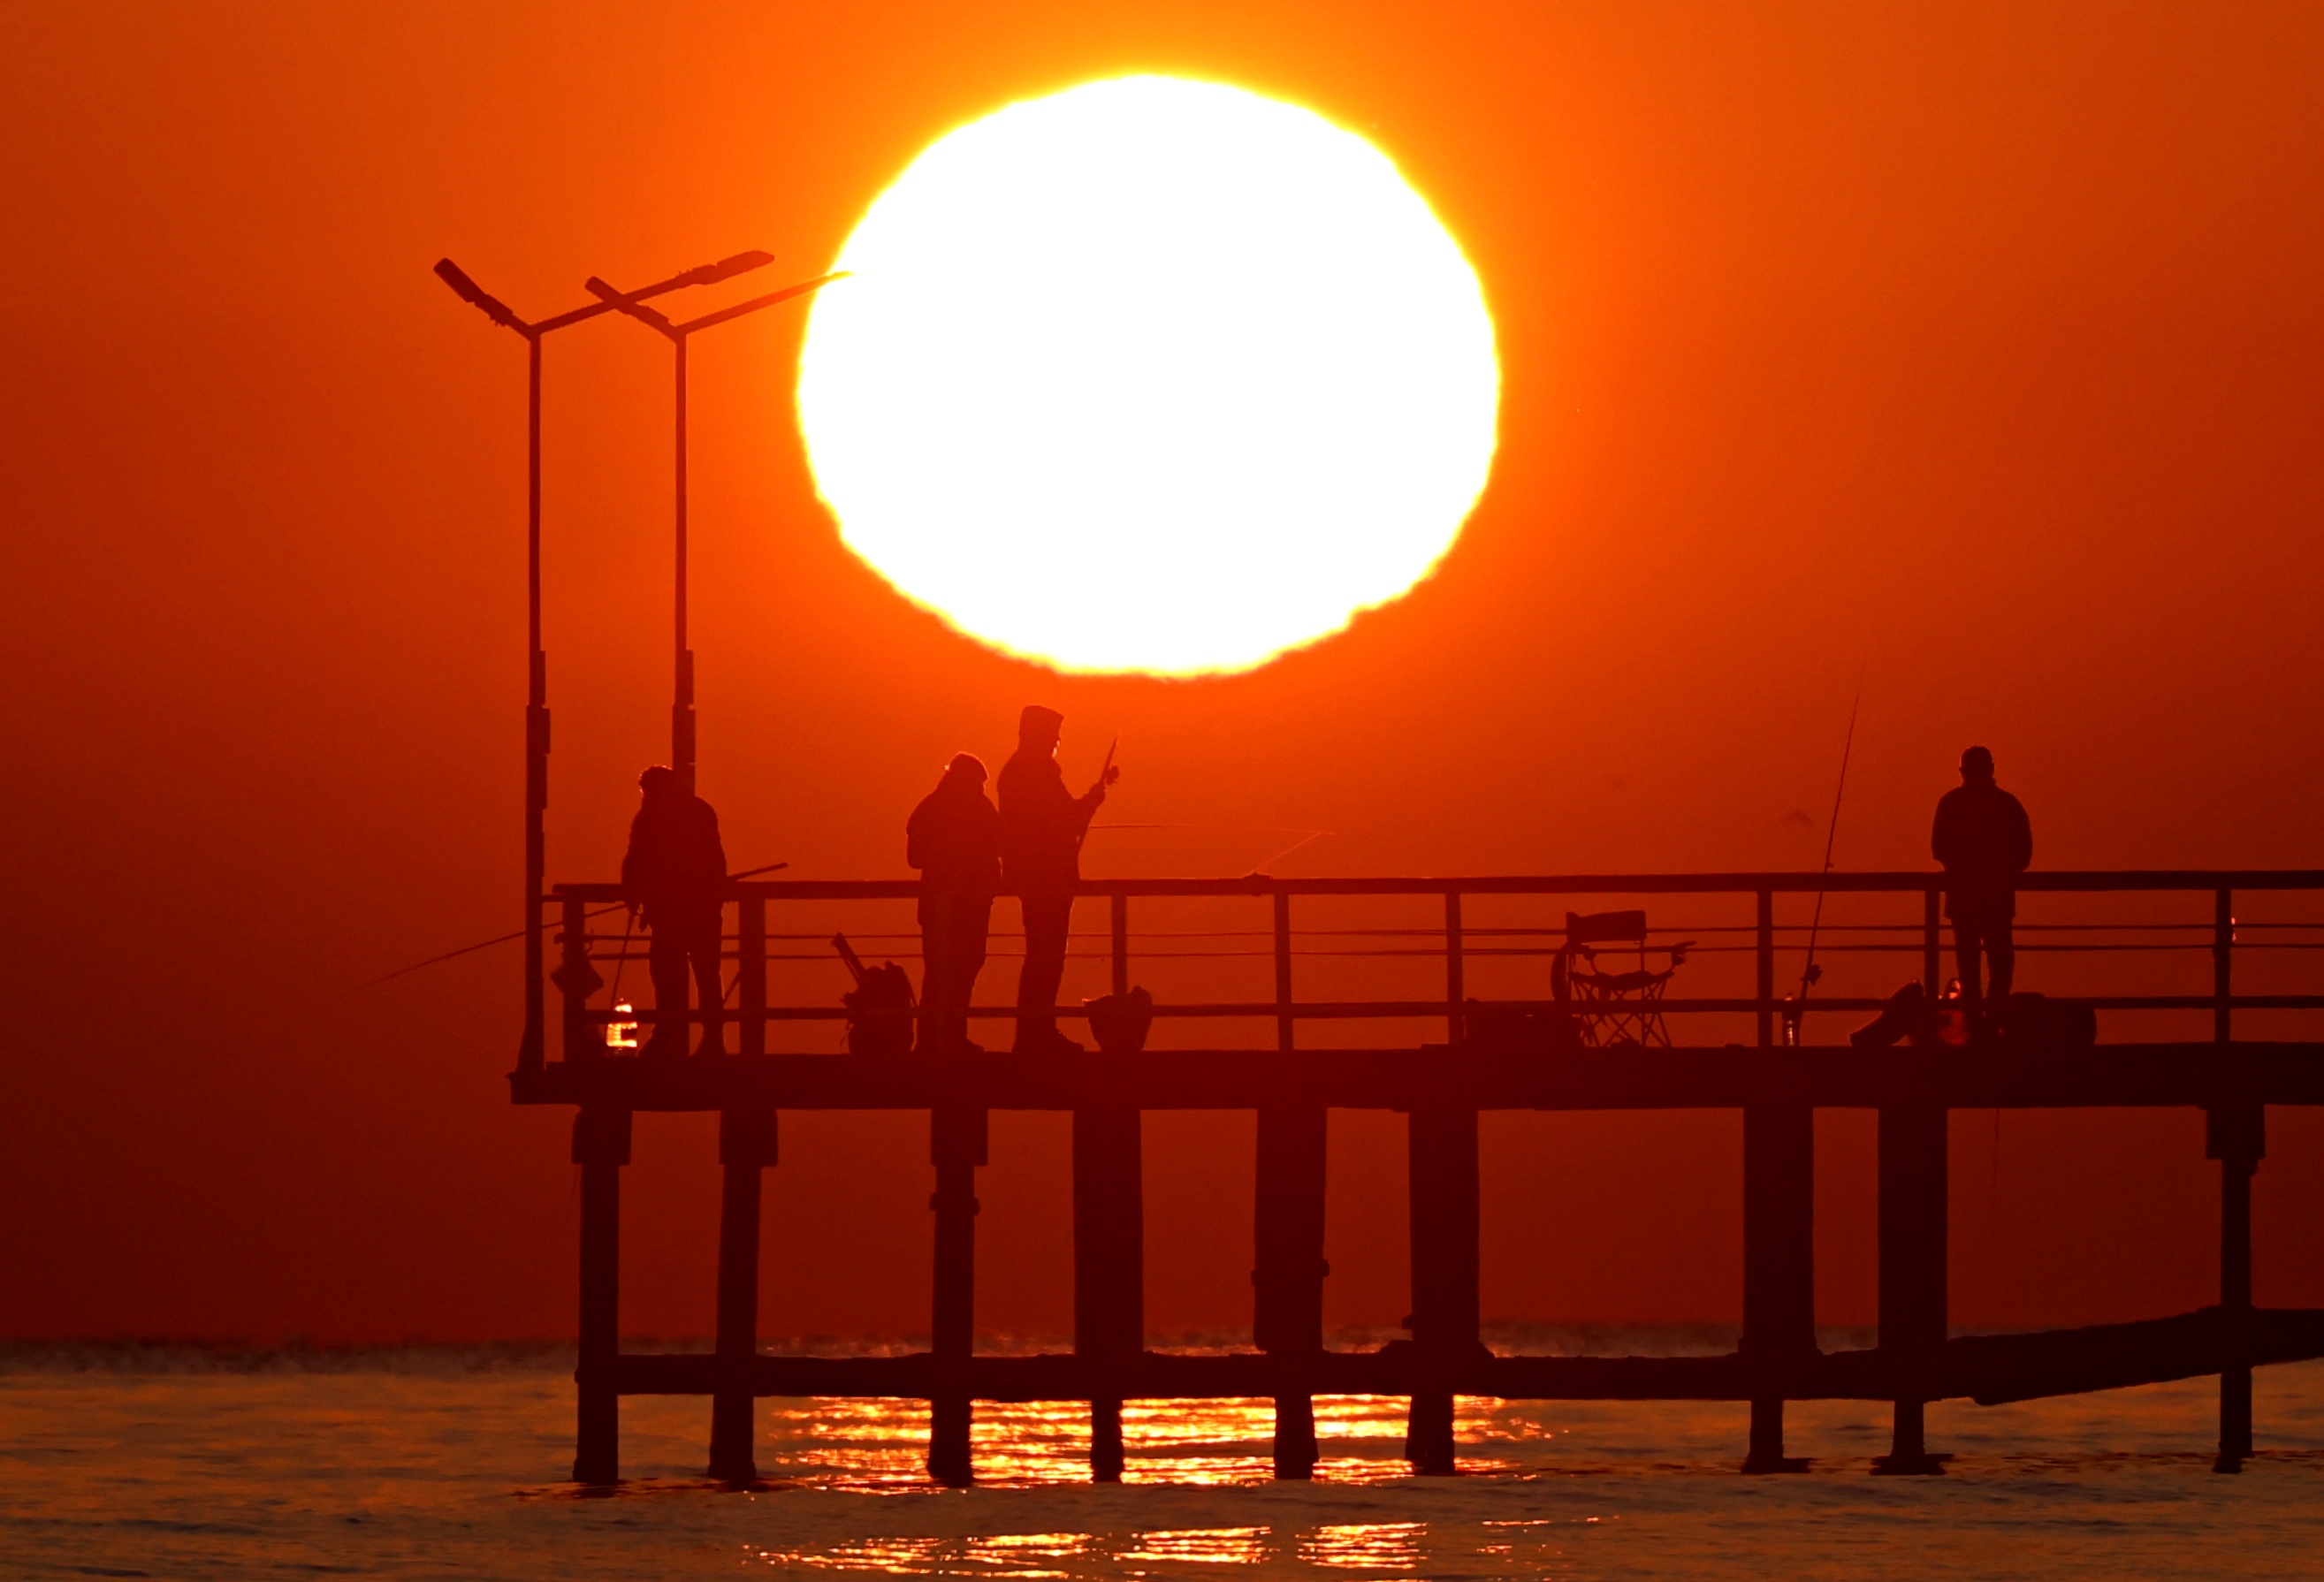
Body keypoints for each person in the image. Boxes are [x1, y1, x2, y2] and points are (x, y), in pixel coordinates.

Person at [998, 706, 1118, 1054]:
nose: (1057, 741)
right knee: (1046, 957)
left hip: (1035, 875)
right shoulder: (1036, 771)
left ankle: (1035, 1031)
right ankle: (1036, 1034)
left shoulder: (1018, 770)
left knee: (1042, 955)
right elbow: (1063, 820)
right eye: (1052, 735)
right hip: (1046, 877)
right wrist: (1092, 802)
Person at [621, 765, 728, 1058]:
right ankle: (708, 1038)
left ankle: (673, 1034)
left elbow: (636, 858)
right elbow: (715, 859)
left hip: (674, 912)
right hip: (697, 909)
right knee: (702, 972)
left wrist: (633, 894)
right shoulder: (699, 811)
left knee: (674, 972)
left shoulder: (652, 817)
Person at [1931, 745, 2033, 1026]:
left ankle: (1976, 1021)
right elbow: (2024, 853)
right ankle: (1993, 1018)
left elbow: (1938, 849)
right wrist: (1998, 870)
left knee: (1970, 964)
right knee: (1999, 963)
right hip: (1996, 898)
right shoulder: (2007, 805)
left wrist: (1965, 867)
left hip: (1964, 898)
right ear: (1992, 768)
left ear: (1962, 771)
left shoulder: (1951, 804)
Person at [907, 753, 1002, 1053]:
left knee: (940, 972)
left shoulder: (929, 808)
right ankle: (947, 1038)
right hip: (967, 907)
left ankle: (934, 1039)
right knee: (957, 973)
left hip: (941, 905)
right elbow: (1002, 845)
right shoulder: (978, 809)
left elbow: (914, 858)